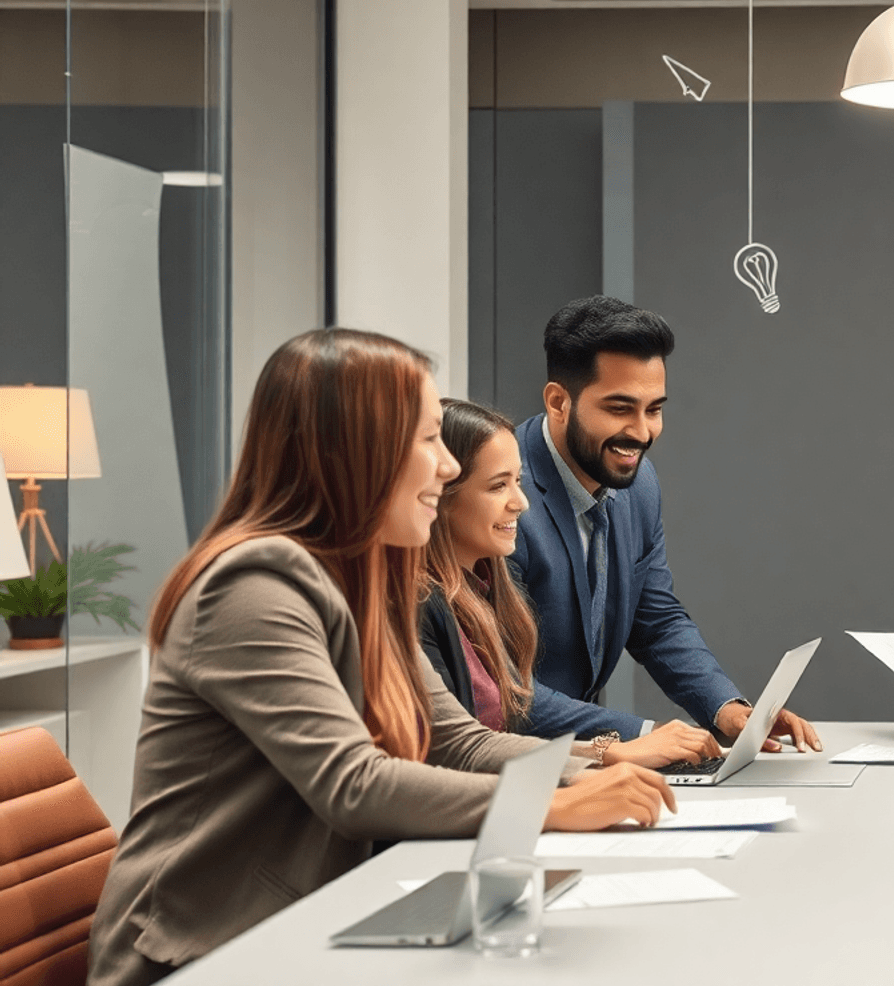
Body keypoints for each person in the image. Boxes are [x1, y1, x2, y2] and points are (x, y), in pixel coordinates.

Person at [87, 330, 675, 986]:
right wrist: (552, 805)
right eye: (427, 441)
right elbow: (352, 783)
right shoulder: (253, 583)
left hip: (311, 922)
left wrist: (589, 771)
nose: (449, 469)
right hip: (199, 952)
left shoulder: (369, 583)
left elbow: (460, 745)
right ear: (353, 453)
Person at [511, 296, 820, 751]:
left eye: (653, 409)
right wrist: (643, 736)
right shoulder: (500, 495)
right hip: (501, 764)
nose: (641, 432)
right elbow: (497, 689)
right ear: (559, 402)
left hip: (578, 760)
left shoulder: (638, 484)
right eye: (619, 409)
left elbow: (655, 619)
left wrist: (726, 709)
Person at [418, 397, 724, 769]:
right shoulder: (421, 605)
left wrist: (724, 707)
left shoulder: (483, 587)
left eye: (518, 482)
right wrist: (613, 752)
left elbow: (489, 740)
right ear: (439, 495)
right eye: (498, 486)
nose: (521, 503)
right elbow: (463, 751)